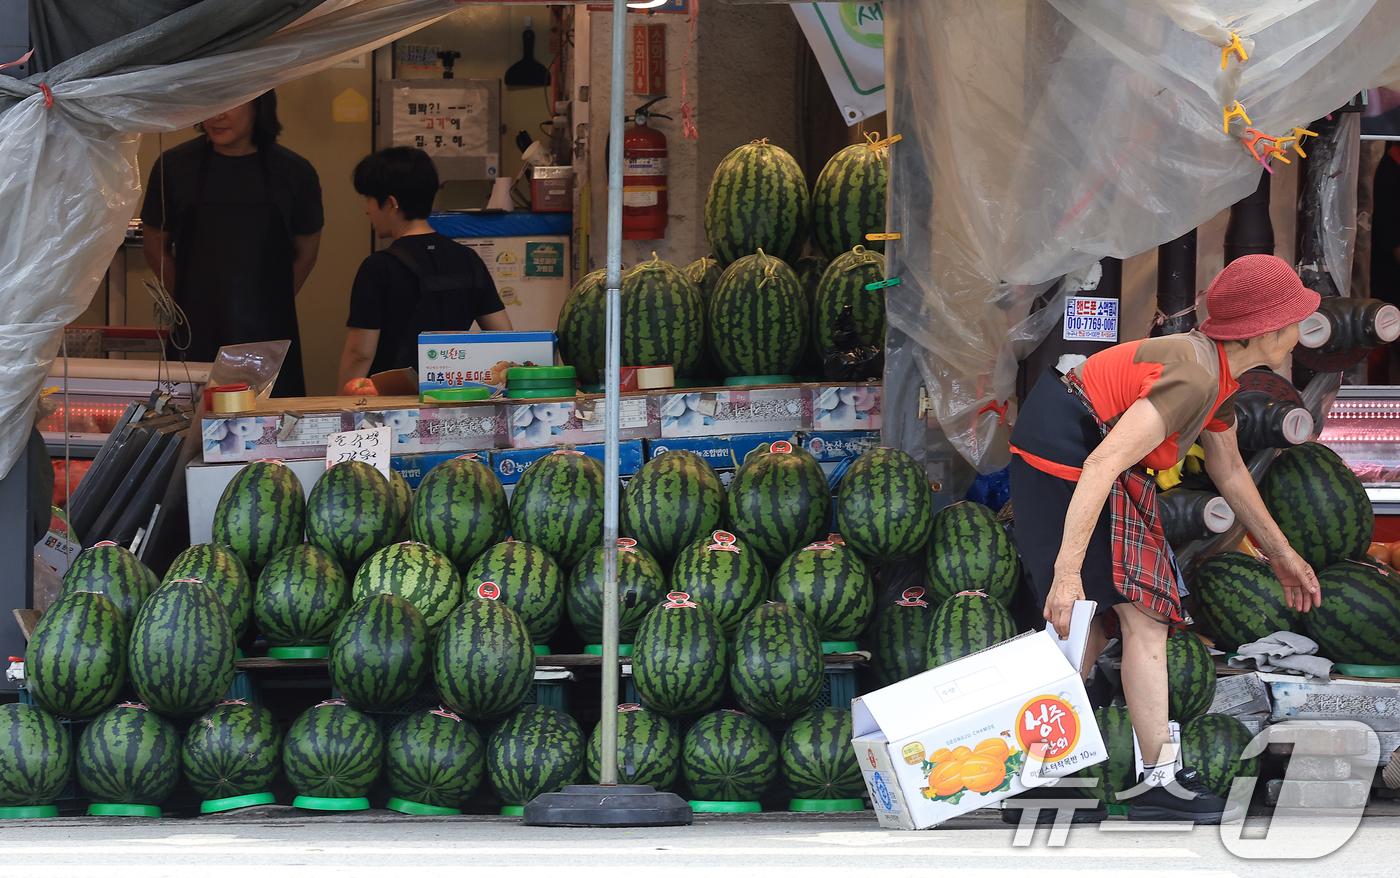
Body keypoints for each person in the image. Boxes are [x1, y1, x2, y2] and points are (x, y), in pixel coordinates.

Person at [1007, 254, 1322, 824]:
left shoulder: (1218, 372)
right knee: (1104, 616)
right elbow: (1102, 464)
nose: (1301, 334)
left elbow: (1229, 473)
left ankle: (1071, 778)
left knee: (1116, 621)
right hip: (1063, 452)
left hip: (1084, 448)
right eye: (1296, 320)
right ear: (1267, 330)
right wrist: (1066, 572)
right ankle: (1115, 780)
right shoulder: (1196, 374)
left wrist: (1283, 555)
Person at [142, 91, 323, 398]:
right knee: (191, 432)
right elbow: (155, 245)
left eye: (232, 102)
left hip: (269, 338)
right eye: (211, 102)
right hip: (195, 334)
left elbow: (307, 251)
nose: (218, 114)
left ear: (258, 106)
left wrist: (269, 302)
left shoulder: (295, 171)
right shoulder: (173, 166)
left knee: (269, 435)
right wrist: (189, 300)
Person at [338, 147, 512, 389]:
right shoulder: (468, 259)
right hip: (452, 399)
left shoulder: (378, 267)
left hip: (392, 407)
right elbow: (504, 337)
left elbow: (360, 354)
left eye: (368, 199)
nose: (367, 209)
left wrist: (340, 405)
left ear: (391, 204)